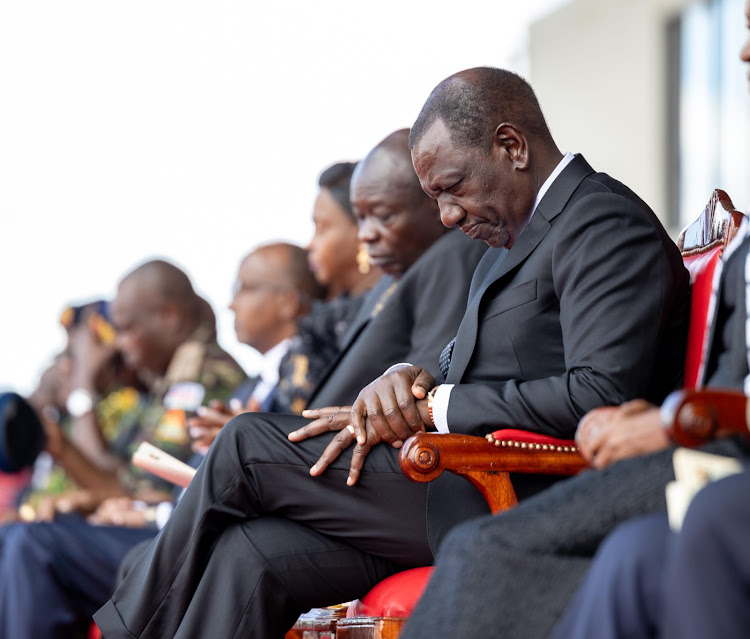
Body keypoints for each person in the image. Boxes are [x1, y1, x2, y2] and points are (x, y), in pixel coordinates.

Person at [94, 73, 687, 637]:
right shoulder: (508, 246)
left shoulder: (601, 221)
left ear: (511, 146)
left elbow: (601, 394)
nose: (448, 217)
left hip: (511, 488)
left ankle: (127, 630)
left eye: (453, 188)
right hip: (446, 476)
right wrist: (405, 378)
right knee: (249, 555)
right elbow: (458, 365)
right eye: (435, 200)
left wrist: (437, 408)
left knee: (245, 446)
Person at [0, 259, 247, 639]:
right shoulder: (167, 387)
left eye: (127, 328)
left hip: (184, 545)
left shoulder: (203, 380)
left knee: (34, 545)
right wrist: (89, 500)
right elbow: (123, 483)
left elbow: (146, 489)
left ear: (169, 316)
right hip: (153, 529)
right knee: (17, 535)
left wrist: (83, 385)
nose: (120, 343)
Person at [188, 242, 326, 453]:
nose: (231, 305)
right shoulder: (249, 388)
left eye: (244, 288)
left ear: (287, 301)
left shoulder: (318, 372)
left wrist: (251, 441)